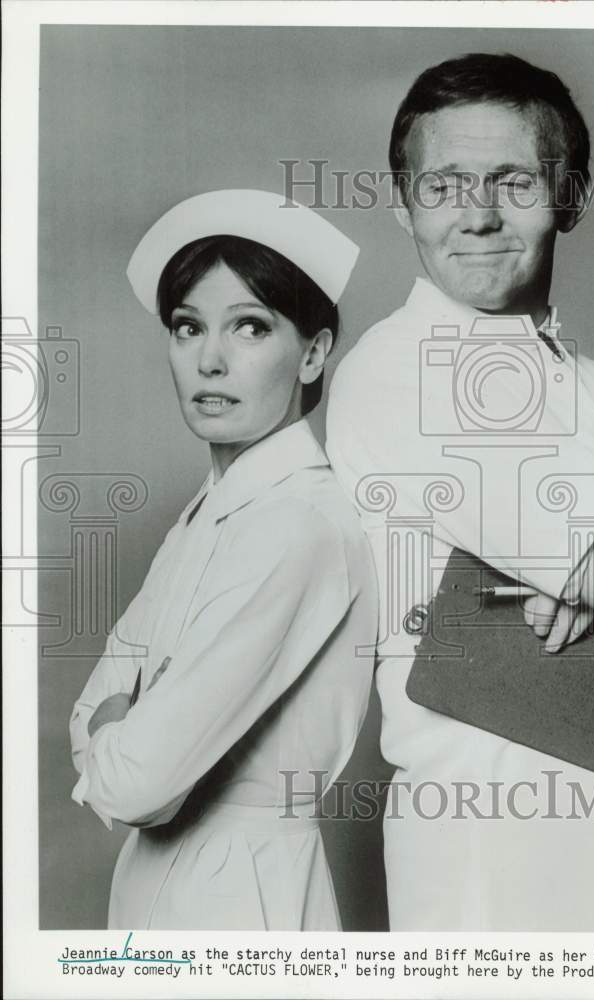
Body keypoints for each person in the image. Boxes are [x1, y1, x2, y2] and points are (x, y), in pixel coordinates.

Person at [326, 53, 594, 932]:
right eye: (445, 184)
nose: (480, 214)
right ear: (403, 202)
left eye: (513, 181)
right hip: (520, 863)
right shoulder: (410, 368)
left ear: (570, 194)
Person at [69, 189, 378, 930]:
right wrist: (121, 727)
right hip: (158, 882)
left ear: (312, 353)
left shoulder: (296, 523)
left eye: (249, 327)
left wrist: (125, 727)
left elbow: (140, 784)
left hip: (242, 894)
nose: (210, 359)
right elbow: (88, 713)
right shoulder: (210, 511)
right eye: (187, 327)